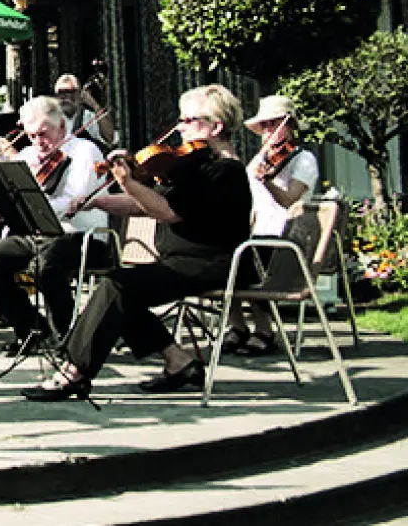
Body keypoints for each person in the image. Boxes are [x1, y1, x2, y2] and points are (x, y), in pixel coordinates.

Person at [24, 84, 253, 400]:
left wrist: (128, 183)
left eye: (189, 120)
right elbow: (144, 204)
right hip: (181, 261)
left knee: (117, 286)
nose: (180, 127)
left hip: (212, 264)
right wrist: (99, 202)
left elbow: (166, 211)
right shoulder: (196, 167)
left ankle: (73, 371)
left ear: (215, 127)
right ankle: (179, 361)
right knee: (121, 290)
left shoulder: (225, 170)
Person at [0, 96, 108, 355]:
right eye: (31, 135)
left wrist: (36, 198)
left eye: (43, 134)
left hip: (82, 234)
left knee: (45, 265)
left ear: (62, 127)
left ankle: (67, 339)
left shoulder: (85, 151)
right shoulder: (28, 155)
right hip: (37, 235)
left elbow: (74, 201)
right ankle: (32, 329)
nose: (38, 142)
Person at [225, 95, 319, 357]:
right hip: (259, 234)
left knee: (250, 263)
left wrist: (267, 182)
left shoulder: (304, 159)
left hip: (287, 236)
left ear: (289, 125)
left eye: (274, 123)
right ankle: (238, 325)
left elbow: (290, 200)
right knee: (221, 257)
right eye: (264, 125)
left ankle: (264, 331)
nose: (268, 130)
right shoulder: (261, 159)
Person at [54, 73, 115, 148]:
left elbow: (110, 138)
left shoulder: (87, 116)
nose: (66, 97)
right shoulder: (50, 118)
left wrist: (94, 105)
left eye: (70, 92)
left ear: (79, 94)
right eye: (61, 92)